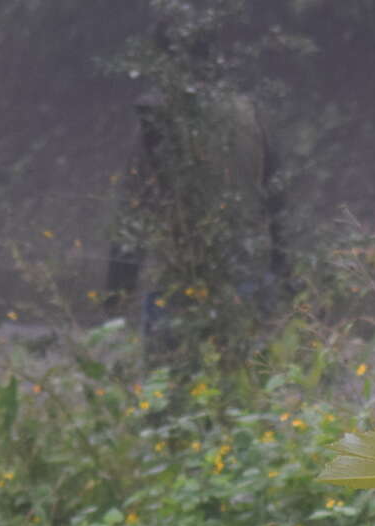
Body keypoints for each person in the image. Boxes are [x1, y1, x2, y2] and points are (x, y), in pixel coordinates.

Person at [106, 23, 286, 361]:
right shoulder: (252, 115)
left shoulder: (155, 120)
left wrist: (118, 291)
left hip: (175, 281)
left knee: (169, 384)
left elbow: (132, 210)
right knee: (239, 382)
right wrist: (283, 272)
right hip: (243, 275)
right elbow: (278, 203)